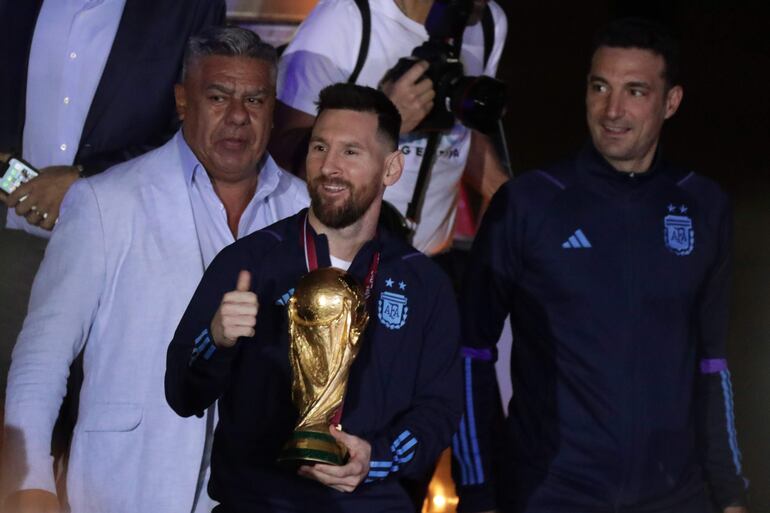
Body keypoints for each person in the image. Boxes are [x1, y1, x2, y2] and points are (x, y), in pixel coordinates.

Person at [2, 27, 308, 513]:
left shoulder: (305, 211)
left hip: (260, 491)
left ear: (273, 110)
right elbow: (41, 360)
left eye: (255, 99)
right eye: (217, 96)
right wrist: (30, 480)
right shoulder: (106, 202)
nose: (237, 117)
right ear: (183, 101)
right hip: (125, 486)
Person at [453, 18, 750, 513]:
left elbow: (713, 363)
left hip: (677, 496)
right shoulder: (530, 204)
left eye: (635, 91)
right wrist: (480, 491)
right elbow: (470, 354)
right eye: (600, 87)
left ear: (670, 102)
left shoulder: (704, 205)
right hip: (550, 494)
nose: (612, 110)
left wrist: (732, 494)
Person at [166, 83, 462, 512]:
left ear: (391, 169)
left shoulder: (423, 283)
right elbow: (181, 393)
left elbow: (439, 410)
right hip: (260, 502)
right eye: (320, 147)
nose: (329, 167)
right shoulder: (251, 261)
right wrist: (217, 339)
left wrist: (375, 457)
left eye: (351, 152)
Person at [0, 0, 225, 404]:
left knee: (97, 417)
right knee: (15, 416)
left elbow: (202, 122)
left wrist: (85, 178)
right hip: (14, 247)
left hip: (122, 255)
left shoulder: (188, 8)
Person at [270, 0, 509, 256]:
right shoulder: (347, 17)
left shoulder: (488, 21)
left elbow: (462, 134)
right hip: (333, 259)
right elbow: (283, 146)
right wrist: (384, 119)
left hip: (430, 263)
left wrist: (512, 199)